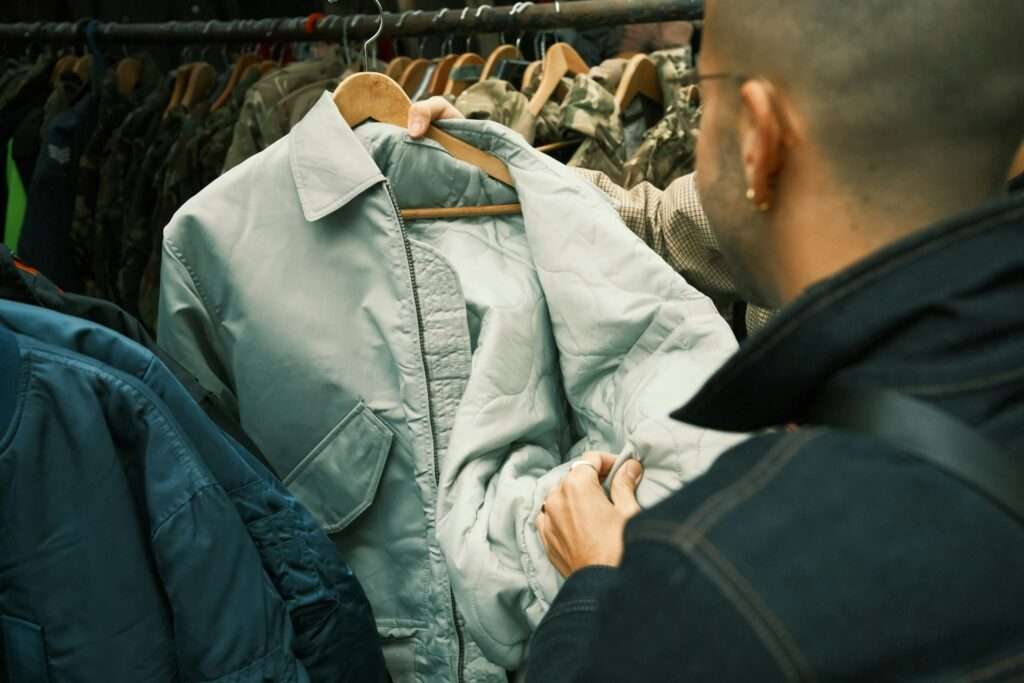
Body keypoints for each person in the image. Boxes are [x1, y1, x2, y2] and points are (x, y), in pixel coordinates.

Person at [409, 0, 1024, 679]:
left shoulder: (711, 585)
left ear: (758, 137)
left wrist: (603, 592)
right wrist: (489, 161)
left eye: (704, 103)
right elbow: (656, 223)